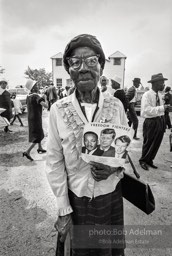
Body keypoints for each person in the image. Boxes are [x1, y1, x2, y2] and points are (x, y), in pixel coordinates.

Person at [46, 34, 128, 256]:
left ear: (101, 66)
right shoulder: (58, 110)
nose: (83, 68)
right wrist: (63, 209)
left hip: (110, 196)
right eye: (75, 62)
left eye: (91, 61)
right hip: (76, 201)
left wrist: (113, 167)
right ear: (69, 70)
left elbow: (123, 149)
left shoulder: (116, 105)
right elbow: (53, 160)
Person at [139, 73, 172, 171]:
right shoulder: (147, 95)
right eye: (162, 83)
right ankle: (143, 160)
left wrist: (165, 110)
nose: (163, 85)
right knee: (148, 142)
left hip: (159, 121)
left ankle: (150, 160)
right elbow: (146, 110)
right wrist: (162, 108)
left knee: (156, 143)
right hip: (150, 122)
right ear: (156, 83)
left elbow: (159, 109)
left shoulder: (159, 94)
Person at [23, 79, 48, 161]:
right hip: (36, 117)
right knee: (37, 135)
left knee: (38, 132)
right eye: (36, 85)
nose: (37, 87)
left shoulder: (28, 96)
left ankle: (40, 147)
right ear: (32, 88)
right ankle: (27, 151)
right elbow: (46, 106)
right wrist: (45, 98)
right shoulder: (36, 96)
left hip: (30, 117)